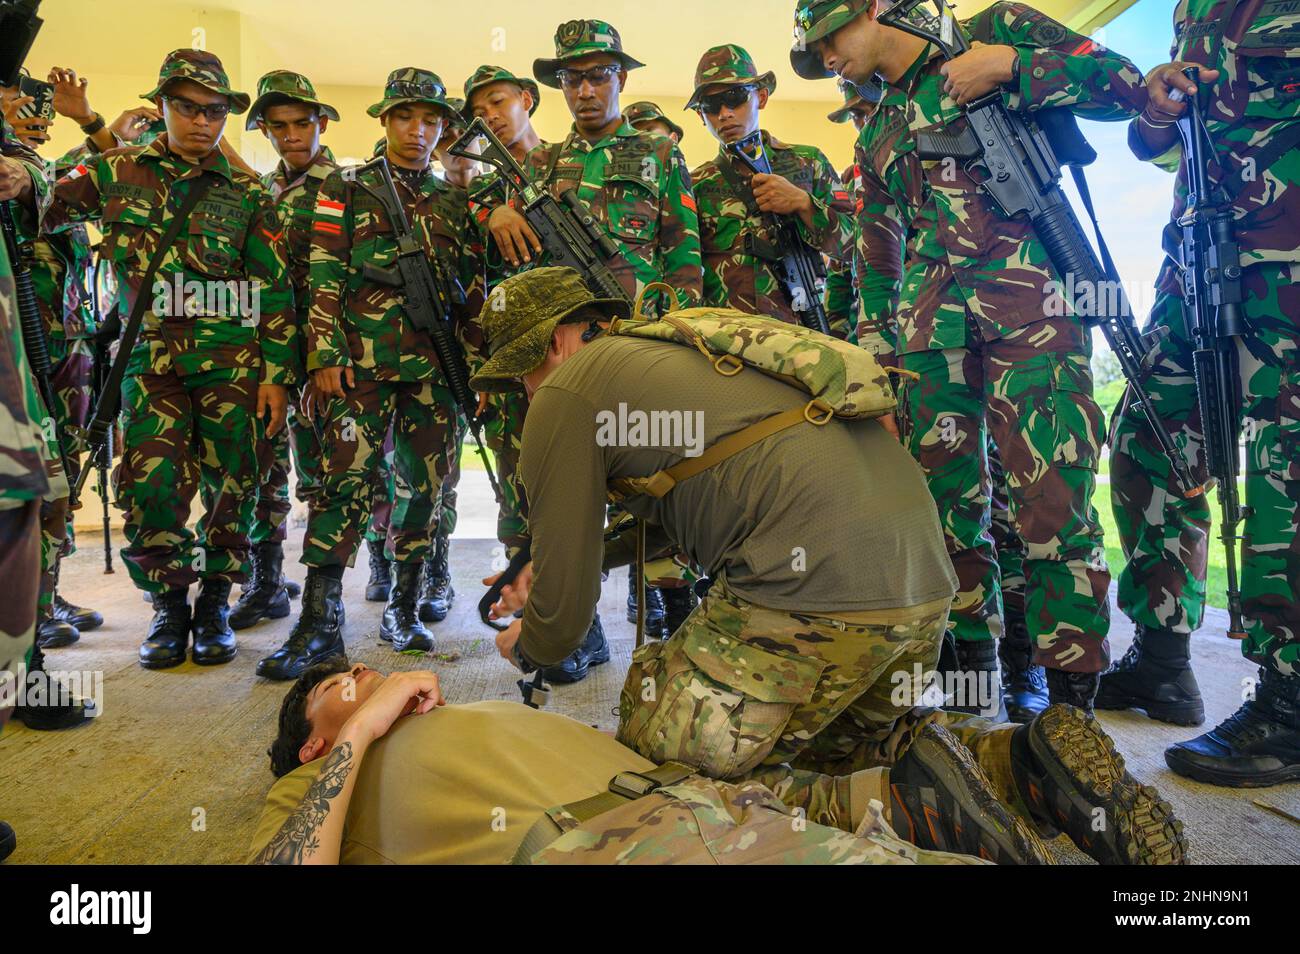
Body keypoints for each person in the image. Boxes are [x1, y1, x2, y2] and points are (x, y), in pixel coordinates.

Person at [471, 265, 1188, 865]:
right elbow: (697, 498)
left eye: (519, 374)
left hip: (811, 602)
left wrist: (528, 643)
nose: (523, 394)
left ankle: (921, 812)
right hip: (917, 595)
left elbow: (563, 622)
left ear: (560, 341)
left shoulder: (567, 390)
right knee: (833, 756)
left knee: (653, 780)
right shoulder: (686, 353)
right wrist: (560, 570)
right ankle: (1020, 767)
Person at [792, 0, 1148, 711]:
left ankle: (1069, 700)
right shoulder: (878, 127)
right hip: (930, 340)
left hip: (1035, 315)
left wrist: (1015, 66)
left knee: (1054, 501)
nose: (824, 56)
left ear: (870, 7)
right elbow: (877, 260)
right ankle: (971, 678)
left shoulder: (998, 30)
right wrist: (878, 362)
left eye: (828, 36)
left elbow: (1127, 87)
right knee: (945, 512)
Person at [19, 49, 298, 670]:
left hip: (232, 366)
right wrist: (34, 163)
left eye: (215, 111)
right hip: (149, 365)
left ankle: (216, 602)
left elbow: (274, 290)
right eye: (187, 108)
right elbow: (45, 201)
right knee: (151, 487)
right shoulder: (117, 171)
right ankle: (170, 606)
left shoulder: (248, 192)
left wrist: (277, 376)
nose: (202, 122)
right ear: (163, 107)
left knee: (234, 487)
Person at [250, 659, 1029, 865]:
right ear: (312, 739)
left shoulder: (463, 717)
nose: (367, 677)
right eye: (340, 685)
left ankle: (1001, 777)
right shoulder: (313, 780)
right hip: (625, 845)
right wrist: (358, 737)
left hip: (710, 810)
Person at [1102, 0, 1300, 787]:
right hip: (1198, 260)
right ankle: (1163, 661)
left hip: (1287, 260)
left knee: (1287, 473)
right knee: (1149, 440)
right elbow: (1156, 146)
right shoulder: (1195, 7)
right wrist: (1155, 107)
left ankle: (1288, 702)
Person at [275, 68, 481, 677]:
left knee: (424, 487)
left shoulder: (453, 200)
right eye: (405, 118)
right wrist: (324, 356)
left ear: (442, 129)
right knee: (345, 485)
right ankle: (319, 622)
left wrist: (470, 368)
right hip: (358, 367)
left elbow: (468, 291)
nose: (418, 131)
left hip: (433, 371)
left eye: (430, 121)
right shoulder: (347, 187)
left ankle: (405, 606)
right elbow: (323, 272)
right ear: (385, 121)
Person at [221, 70, 339, 641]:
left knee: (327, 473)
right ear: (265, 131)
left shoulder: (349, 186)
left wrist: (323, 356)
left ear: (320, 123)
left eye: (301, 123)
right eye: (278, 126)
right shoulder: (259, 191)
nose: (291, 135)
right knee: (263, 467)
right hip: (264, 353)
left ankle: (338, 594)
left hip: (323, 354)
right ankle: (265, 584)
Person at [688, 43, 854, 330]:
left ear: (761, 97)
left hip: (805, 332)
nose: (725, 113)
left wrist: (804, 204)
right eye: (711, 106)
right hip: (727, 342)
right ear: (701, 116)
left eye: (735, 97)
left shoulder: (807, 162)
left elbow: (856, 245)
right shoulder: (695, 184)